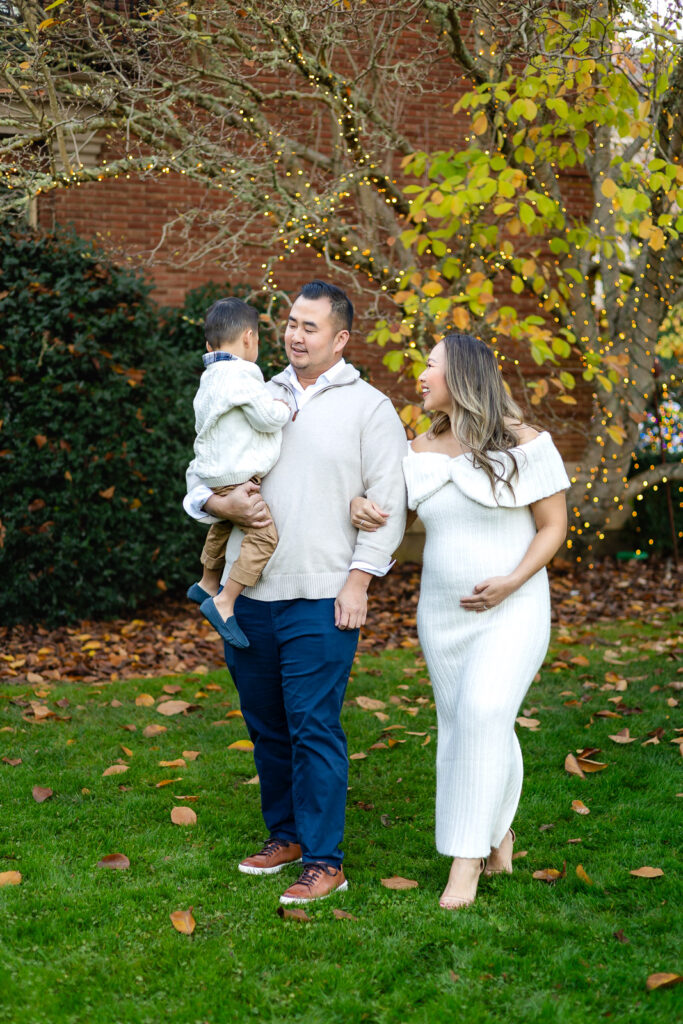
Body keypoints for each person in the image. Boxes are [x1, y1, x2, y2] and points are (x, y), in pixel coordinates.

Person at [184, 280, 407, 904]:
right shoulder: (252, 387)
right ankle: (283, 836)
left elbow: (389, 505)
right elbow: (197, 474)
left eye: (310, 327)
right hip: (247, 598)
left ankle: (324, 859)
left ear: (340, 338)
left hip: (322, 594)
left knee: (313, 727)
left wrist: (360, 580)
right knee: (266, 726)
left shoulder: (371, 409)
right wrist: (213, 500)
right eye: (290, 323)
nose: (294, 334)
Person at [351, 332, 569, 910]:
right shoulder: (416, 448)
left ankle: (464, 864)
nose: (419, 376)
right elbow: (388, 519)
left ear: (463, 376)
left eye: (429, 366)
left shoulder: (524, 443)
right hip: (442, 617)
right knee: (471, 726)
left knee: (481, 712)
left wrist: (512, 581)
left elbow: (553, 527)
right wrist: (357, 505)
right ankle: (499, 836)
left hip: (514, 609)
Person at [184, 297, 291, 648]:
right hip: (236, 474)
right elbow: (265, 417)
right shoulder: (243, 375)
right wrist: (283, 408)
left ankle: (206, 581)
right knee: (263, 537)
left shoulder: (209, 378)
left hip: (213, 476)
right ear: (249, 338)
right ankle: (225, 600)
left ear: (208, 345)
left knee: (223, 522)